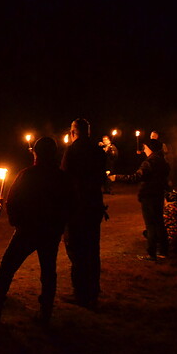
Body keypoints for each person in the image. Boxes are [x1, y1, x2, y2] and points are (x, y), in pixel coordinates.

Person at [0, 137, 74, 325]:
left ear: (36, 153)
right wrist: (61, 225)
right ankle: (46, 311)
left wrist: (15, 219)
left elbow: (13, 199)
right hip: (51, 231)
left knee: (7, 266)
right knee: (48, 271)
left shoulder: (27, 175)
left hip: (28, 230)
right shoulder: (62, 177)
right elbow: (70, 204)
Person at [61, 118, 106, 308]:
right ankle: (93, 290)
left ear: (73, 132)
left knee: (77, 250)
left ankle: (81, 293)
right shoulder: (97, 151)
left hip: (77, 208)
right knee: (92, 250)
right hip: (94, 206)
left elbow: (64, 178)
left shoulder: (72, 151)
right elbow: (102, 176)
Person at [110, 139, 170, 261]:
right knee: (159, 223)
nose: (144, 150)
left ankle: (152, 253)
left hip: (149, 196)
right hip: (158, 195)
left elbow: (136, 177)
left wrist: (117, 177)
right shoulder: (163, 161)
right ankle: (164, 250)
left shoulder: (150, 162)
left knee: (151, 225)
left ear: (151, 148)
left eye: (146, 148)